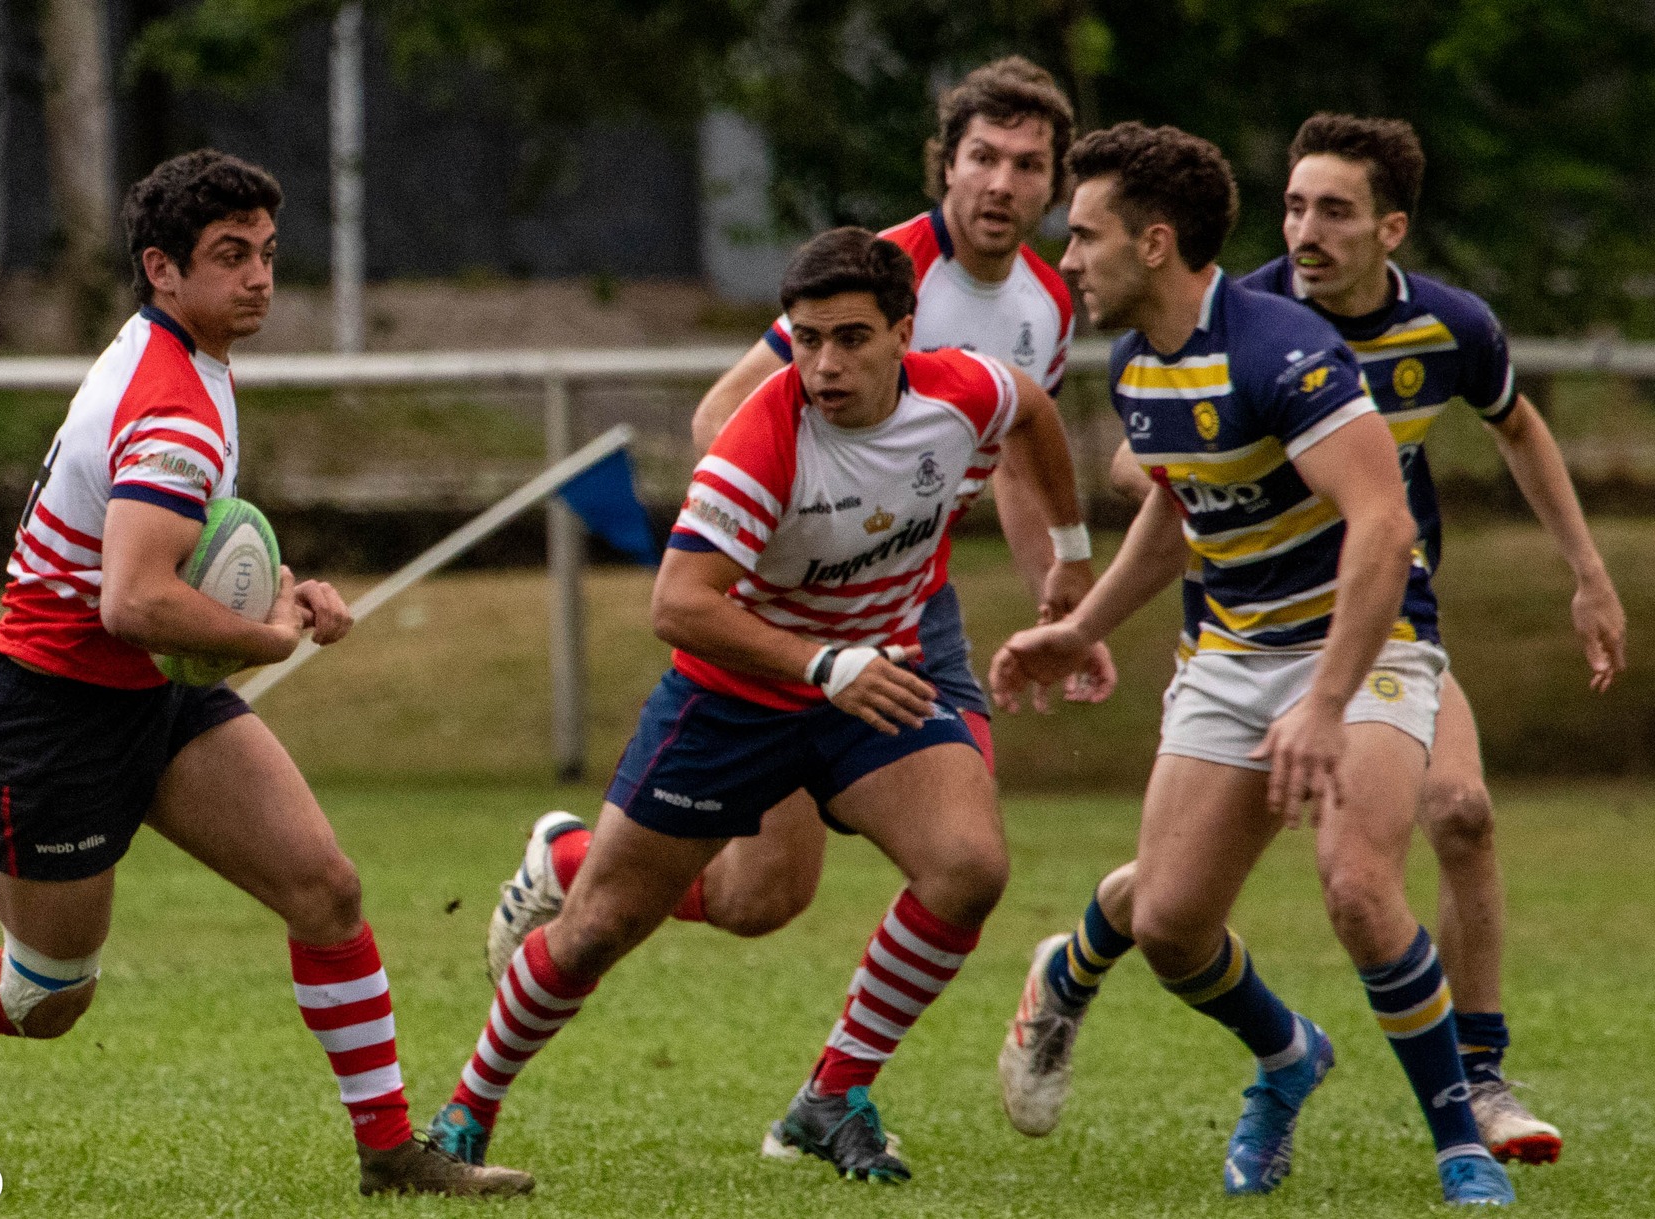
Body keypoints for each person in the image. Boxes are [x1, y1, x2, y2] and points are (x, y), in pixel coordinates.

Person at [0, 149, 532, 1197]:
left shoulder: (182, 355)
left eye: (265, 252)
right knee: (45, 994)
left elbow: (190, 547)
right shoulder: (172, 398)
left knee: (326, 888)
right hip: (49, 714)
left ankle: (389, 1151)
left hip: (151, 692)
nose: (259, 276)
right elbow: (133, 600)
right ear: (161, 269)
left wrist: (283, 590)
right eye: (230, 256)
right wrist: (269, 636)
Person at [1004, 113, 1625, 1168]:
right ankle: (1253, 1038)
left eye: (1331, 209)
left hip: (1372, 630)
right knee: (1165, 917)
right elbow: (1170, 490)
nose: (1304, 230)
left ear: (1388, 229)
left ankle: (1468, 1113)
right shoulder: (1171, 343)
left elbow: (1418, 500)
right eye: (1292, 205)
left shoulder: (1397, 334)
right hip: (1232, 645)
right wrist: (1080, 623)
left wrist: (1584, 570)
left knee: (1402, 851)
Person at [426, 226, 1094, 1184]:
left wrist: (1069, 544)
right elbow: (677, 605)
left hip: (878, 678)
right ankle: (465, 1112)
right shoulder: (761, 442)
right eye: (808, 337)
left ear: (907, 331)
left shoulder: (966, 391)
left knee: (969, 864)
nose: (825, 363)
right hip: (738, 696)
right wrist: (825, 665)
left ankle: (830, 1096)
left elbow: (1032, 410)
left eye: (852, 338)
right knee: (602, 926)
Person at [484, 56, 1112, 991]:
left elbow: (1014, 447)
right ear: (945, 166)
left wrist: (1057, 585)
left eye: (1028, 165)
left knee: (957, 861)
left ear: (1055, 184)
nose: (1002, 182)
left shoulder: (1048, 303)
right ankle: (574, 862)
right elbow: (720, 419)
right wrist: (781, 567)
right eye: (984, 156)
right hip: (796, 611)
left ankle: (836, 1091)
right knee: (760, 896)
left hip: (915, 605)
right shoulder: (879, 278)